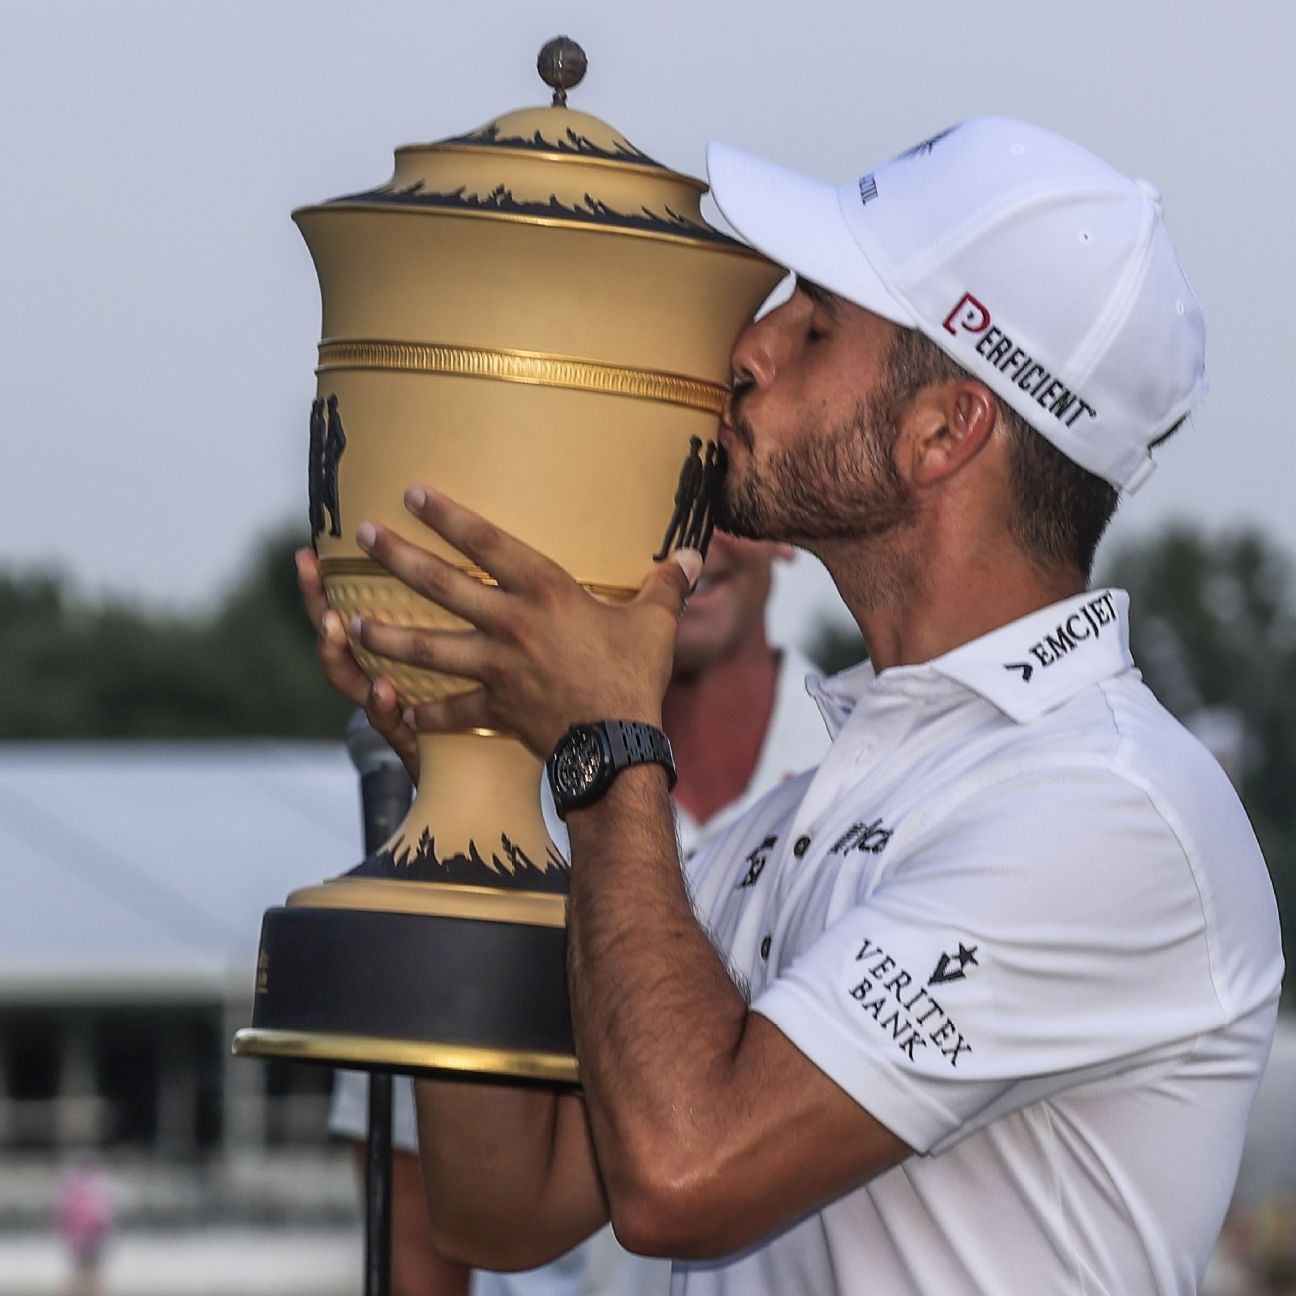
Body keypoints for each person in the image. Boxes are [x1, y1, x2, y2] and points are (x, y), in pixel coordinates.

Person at [321, 118, 1284, 1293]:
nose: (745, 352)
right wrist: (471, 764)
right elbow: (501, 1203)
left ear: (945, 431)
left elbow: (685, 1174)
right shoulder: (811, 811)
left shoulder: (1115, 811)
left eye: (815, 323)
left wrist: (605, 747)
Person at [307, 530, 830, 1296]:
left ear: (781, 530)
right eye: (659, 493)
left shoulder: (864, 768)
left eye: (719, 495)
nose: (693, 542)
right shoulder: (475, 793)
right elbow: (422, 1218)